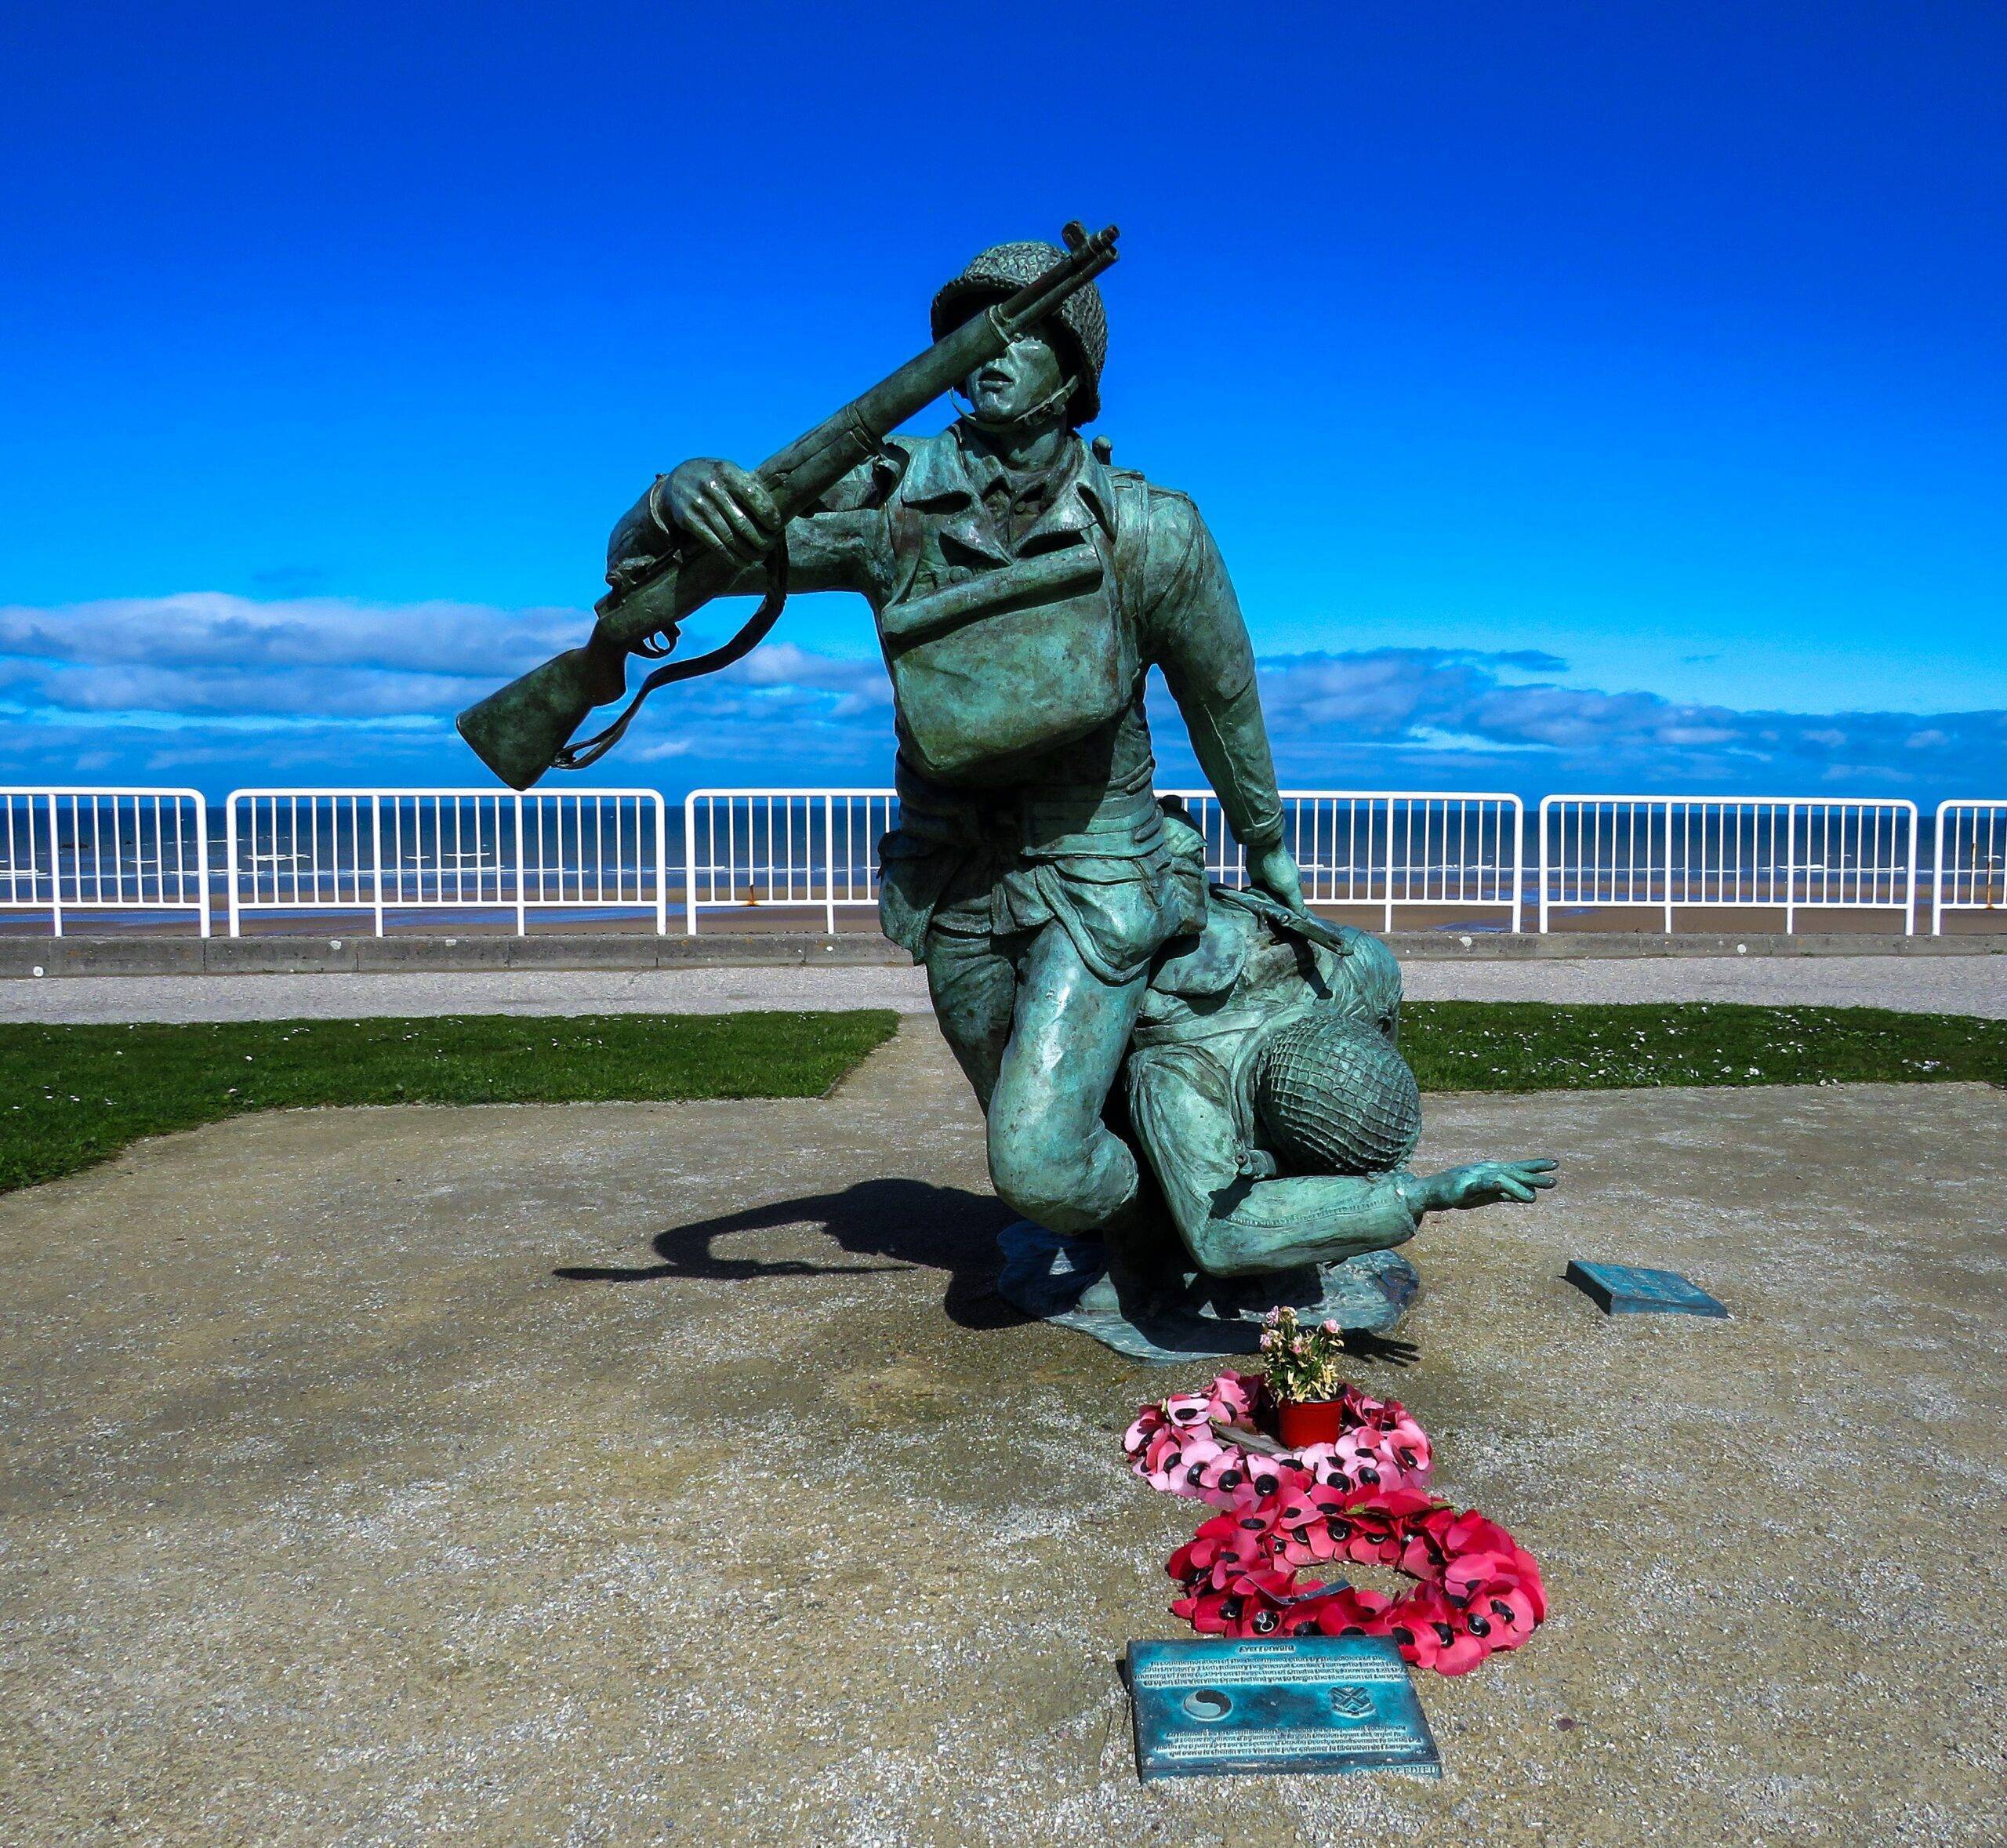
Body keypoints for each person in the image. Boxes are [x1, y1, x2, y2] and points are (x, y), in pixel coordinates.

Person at [608, 241, 1304, 1262]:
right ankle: (1133, 1232)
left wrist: (1270, 848)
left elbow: (1225, 700)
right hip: (953, 884)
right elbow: (660, 584)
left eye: (1019, 334)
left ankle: (1174, 1228)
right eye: (972, 333)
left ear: (1072, 372)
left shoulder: (1150, 531)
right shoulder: (889, 504)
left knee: (1036, 1163)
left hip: (1099, 871)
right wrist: (672, 499)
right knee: (1026, 1145)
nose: (988, 353)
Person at [1121, 805, 1557, 1292]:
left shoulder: (1352, 970)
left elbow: (1218, 1232)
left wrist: (1406, 1192)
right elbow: (1220, 1232)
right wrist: (1416, 1195)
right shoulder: (1179, 1074)